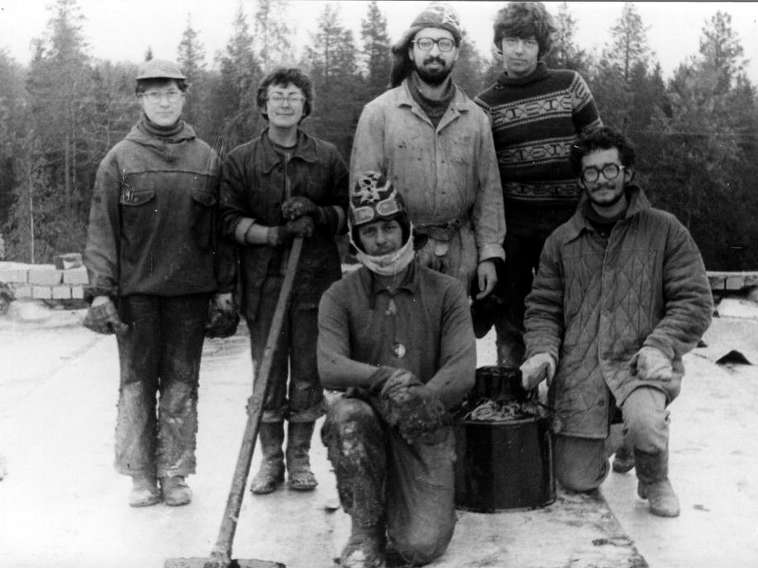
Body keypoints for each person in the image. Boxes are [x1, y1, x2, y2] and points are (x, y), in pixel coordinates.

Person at [520, 127, 713, 518]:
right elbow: (542, 307)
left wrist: (661, 345)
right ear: (581, 181)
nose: (601, 179)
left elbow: (694, 300)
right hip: (582, 369)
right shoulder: (561, 241)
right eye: (591, 172)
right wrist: (541, 352)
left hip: (639, 362)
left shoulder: (665, 230)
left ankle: (654, 477)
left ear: (627, 173)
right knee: (575, 478)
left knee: (645, 421)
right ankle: (622, 439)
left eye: (610, 169)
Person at [83, 59, 236, 507]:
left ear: (184, 97)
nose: (163, 102)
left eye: (170, 93)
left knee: (181, 386)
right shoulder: (119, 159)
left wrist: (224, 289)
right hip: (137, 297)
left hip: (190, 296)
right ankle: (140, 476)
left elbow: (221, 235)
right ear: (140, 100)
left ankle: (174, 473)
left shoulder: (207, 159)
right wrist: (102, 292)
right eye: (154, 94)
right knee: (136, 385)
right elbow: (102, 231)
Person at [318, 172, 476, 568]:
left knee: (419, 547)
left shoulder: (447, 290)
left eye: (389, 227)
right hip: (369, 422)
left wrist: (421, 398)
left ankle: (414, 501)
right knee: (347, 415)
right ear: (356, 239)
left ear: (406, 228)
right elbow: (329, 364)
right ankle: (366, 530)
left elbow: (462, 369)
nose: (382, 240)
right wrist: (383, 377)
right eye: (369, 231)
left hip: (425, 424)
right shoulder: (339, 295)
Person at [219, 67, 348, 495]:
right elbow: (228, 221)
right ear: (264, 105)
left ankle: (299, 459)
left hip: (315, 282)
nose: (286, 103)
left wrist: (318, 214)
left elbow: (347, 213)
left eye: (294, 96)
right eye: (278, 96)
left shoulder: (327, 157)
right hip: (264, 283)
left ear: (306, 105)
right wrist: (272, 234)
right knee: (268, 374)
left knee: (308, 372)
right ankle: (271, 460)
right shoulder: (241, 160)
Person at [474, 2, 603, 368]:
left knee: (573, 308)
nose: (519, 50)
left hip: (569, 221)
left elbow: (597, 148)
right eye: (511, 41)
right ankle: (513, 389)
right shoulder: (484, 105)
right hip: (513, 228)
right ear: (499, 45)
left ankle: (571, 387)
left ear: (541, 46)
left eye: (528, 42)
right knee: (511, 314)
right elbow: (482, 176)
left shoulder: (569, 85)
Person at [350, 2, 505, 300]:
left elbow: (489, 193)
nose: (435, 52)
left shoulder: (475, 119)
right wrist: (377, 255)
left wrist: (489, 254)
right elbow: (363, 191)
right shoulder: (379, 113)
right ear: (411, 51)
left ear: (456, 52)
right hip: (399, 252)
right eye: (425, 43)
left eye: (444, 43)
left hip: (460, 255)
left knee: (455, 328)